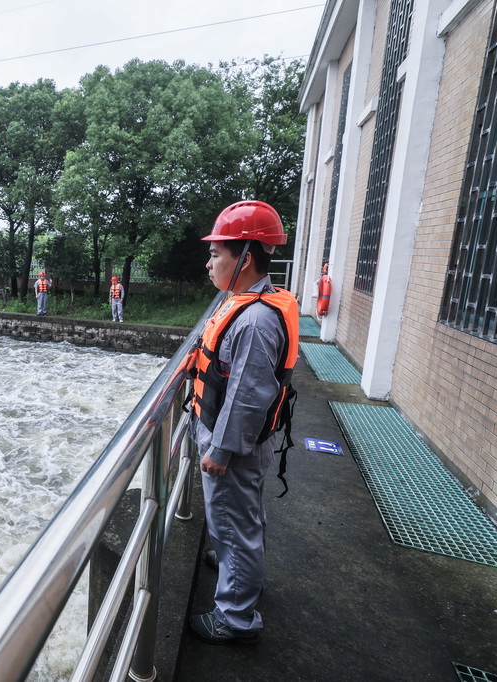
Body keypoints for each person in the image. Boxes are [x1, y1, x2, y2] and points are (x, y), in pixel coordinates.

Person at [187, 200, 299, 645]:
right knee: (240, 518)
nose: (209, 262)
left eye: (216, 253)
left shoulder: (253, 321)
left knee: (234, 524)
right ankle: (235, 567)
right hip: (236, 437)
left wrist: (221, 450)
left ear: (246, 257)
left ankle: (235, 617)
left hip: (233, 444)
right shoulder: (246, 302)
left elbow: (248, 397)